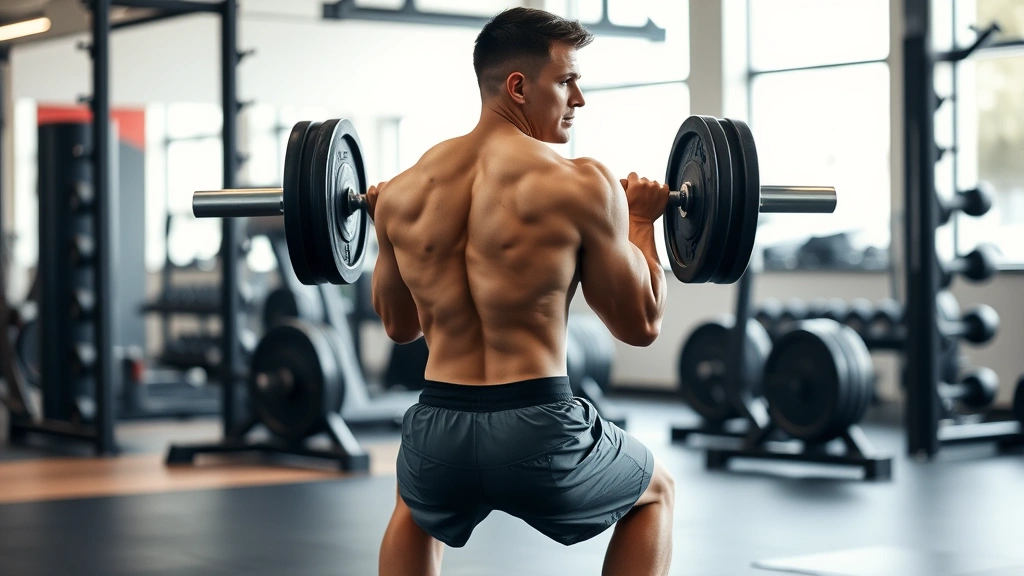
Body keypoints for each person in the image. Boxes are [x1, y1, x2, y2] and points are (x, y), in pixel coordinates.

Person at [370, 7, 675, 576]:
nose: (578, 99)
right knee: (656, 490)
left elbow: (399, 327)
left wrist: (377, 219)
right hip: (538, 424)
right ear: (518, 86)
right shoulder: (583, 182)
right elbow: (642, 325)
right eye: (566, 81)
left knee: (415, 504)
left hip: (439, 421)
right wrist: (640, 223)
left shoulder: (402, 193)